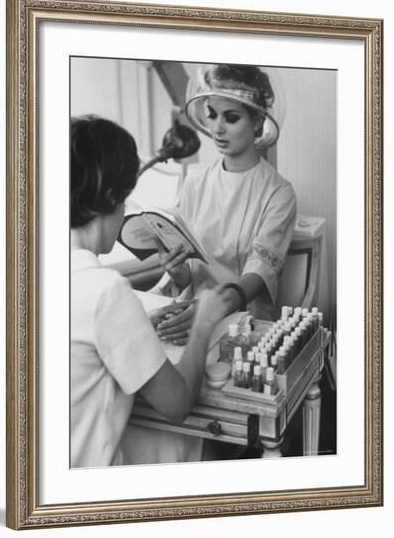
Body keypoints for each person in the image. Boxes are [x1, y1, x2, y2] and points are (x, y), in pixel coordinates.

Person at [70, 115, 230, 468]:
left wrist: (137, 322)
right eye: (125, 198)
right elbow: (176, 404)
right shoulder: (105, 290)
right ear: (113, 198)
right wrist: (203, 323)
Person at [154, 63, 297, 344]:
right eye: (212, 115)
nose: (217, 128)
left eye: (231, 118)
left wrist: (210, 311)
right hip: (191, 318)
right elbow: (190, 275)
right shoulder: (195, 182)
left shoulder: (279, 193)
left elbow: (258, 274)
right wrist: (177, 271)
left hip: (244, 325)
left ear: (257, 121)